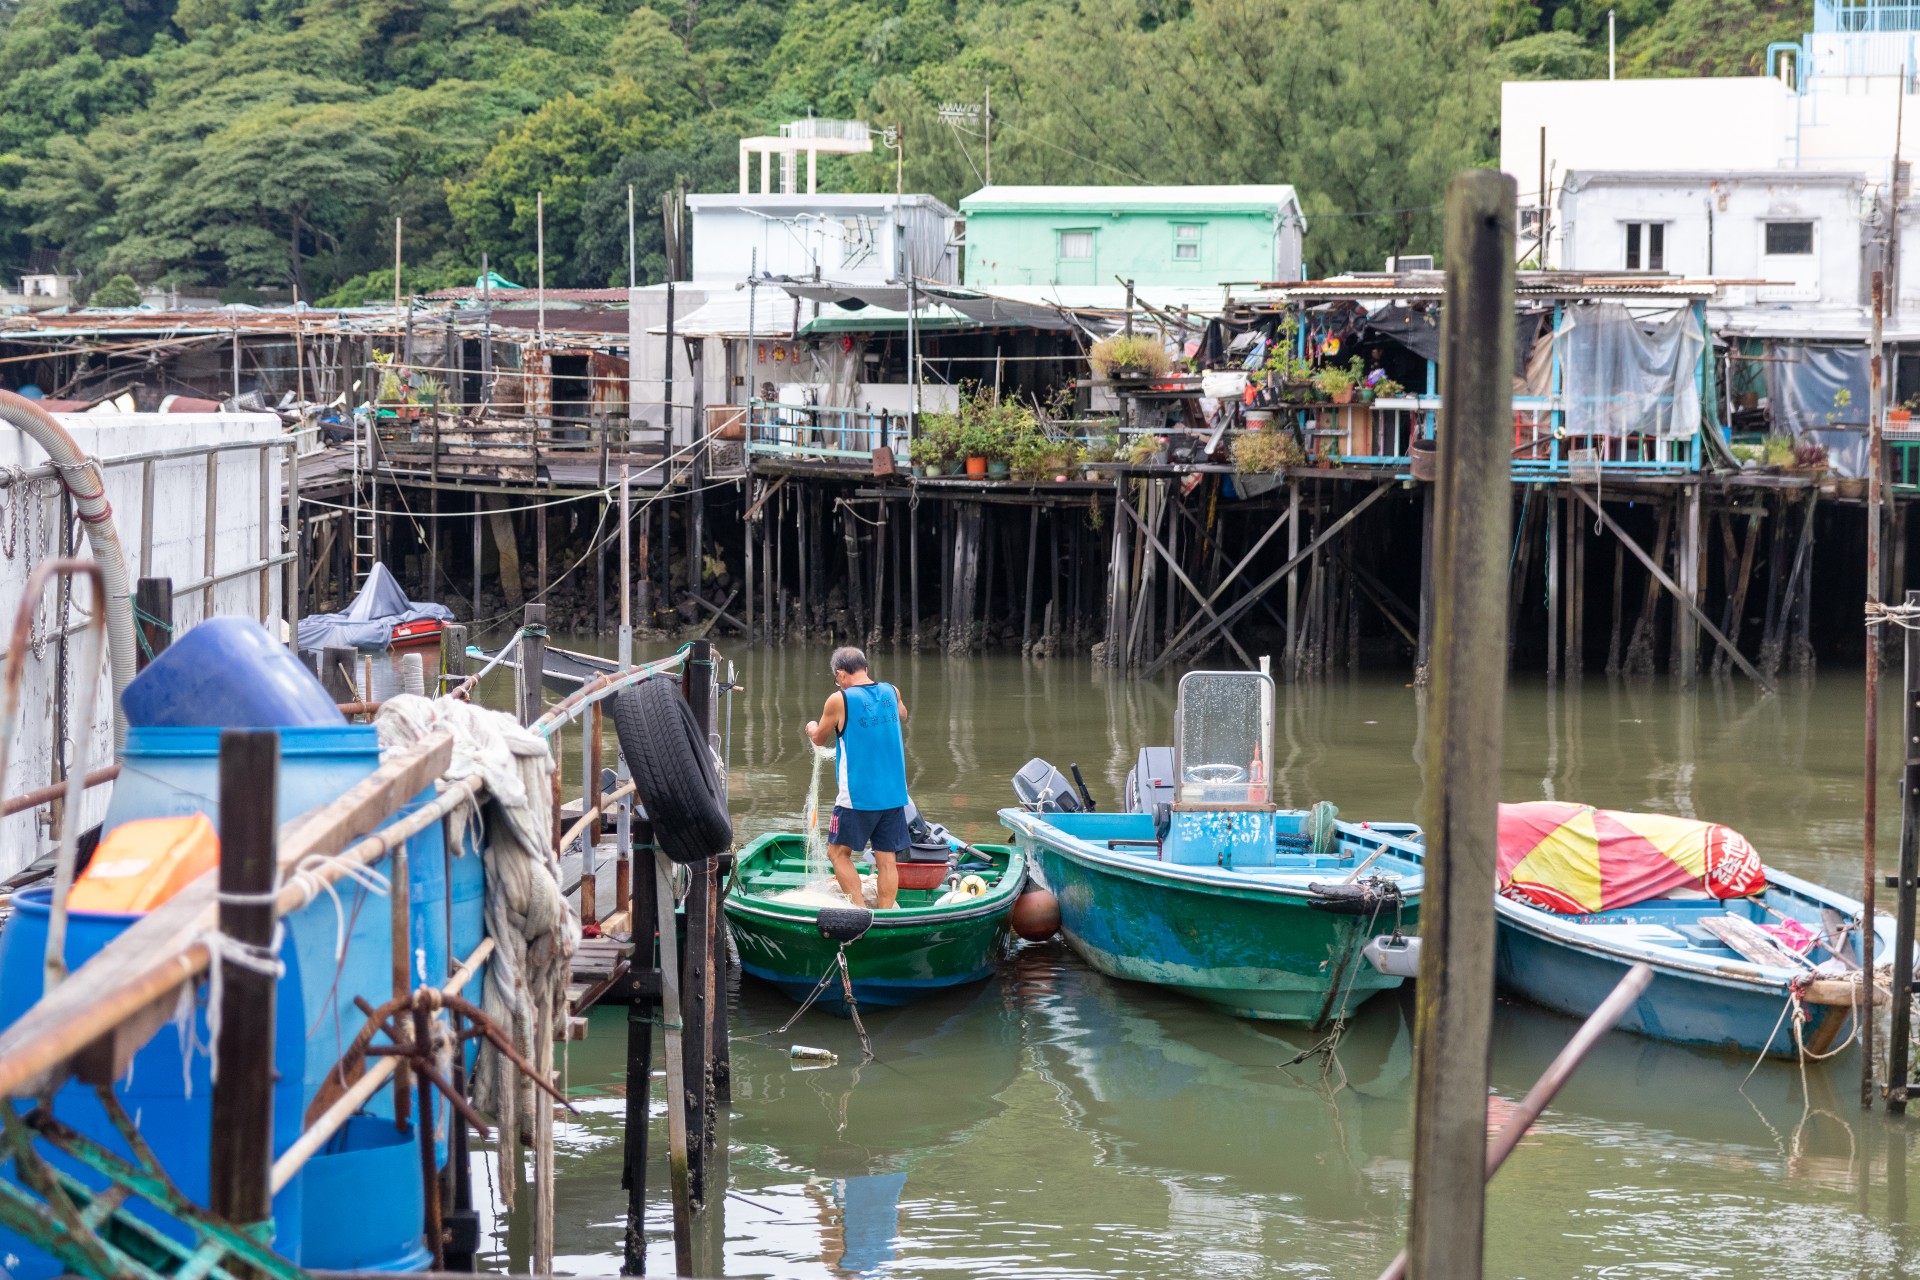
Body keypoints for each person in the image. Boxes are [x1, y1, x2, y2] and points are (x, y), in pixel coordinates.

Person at [806, 646, 909, 909]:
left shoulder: (839, 699)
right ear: (865, 668)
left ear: (841, 674)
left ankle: (860, 910)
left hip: (858, 796)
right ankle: (886, 917)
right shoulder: (891, 690)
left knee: (837, 853)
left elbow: (820, 738)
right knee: (887, 860)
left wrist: (811, 728)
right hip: (894, 794)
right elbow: (902, 715)